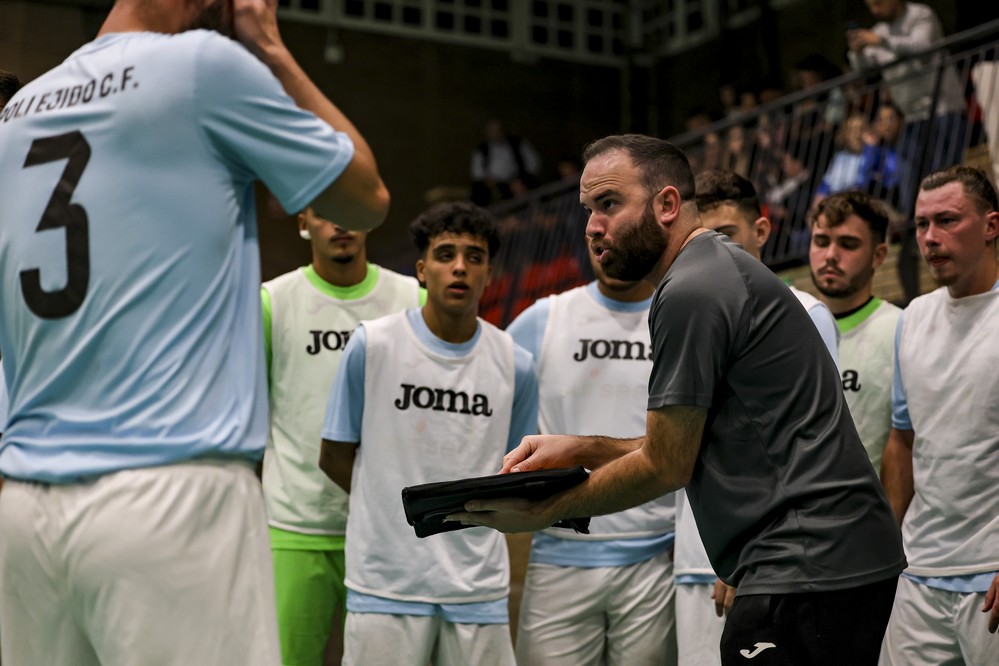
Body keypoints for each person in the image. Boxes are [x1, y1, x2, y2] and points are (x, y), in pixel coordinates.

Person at [0, 0, 389, 663]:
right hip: (170, 497)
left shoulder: (15, 115)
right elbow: (363, 199)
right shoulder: (201, 67)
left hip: (25, 515)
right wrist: (268, 45)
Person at [453, 134, 906, 666]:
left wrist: (543, 511)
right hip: (823, 563)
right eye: (588, 210)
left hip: (804, 567)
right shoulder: (710, 270)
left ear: (667, 204)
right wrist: (583, 448)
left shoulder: (691, 290)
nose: (593, 226)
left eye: (609, 204)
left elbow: (666, 466)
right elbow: (683, 443)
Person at [318, 201, 539, 666]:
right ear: (422, 270)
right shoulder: (371, 345)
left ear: (489, 274)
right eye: (445, 255)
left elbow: (510, 473)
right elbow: (334, 455)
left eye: (474, 257)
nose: (459, 267)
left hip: (476, 587)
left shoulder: (515, 363)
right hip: (386, 582)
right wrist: (393, 513)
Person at [670, 168, 840, 666]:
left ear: (762, 232)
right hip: (694, 561)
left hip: (762, 565)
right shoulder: (689, 313)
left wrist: (747, 558)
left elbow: (807, 453)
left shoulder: (806, 314)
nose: (712, 251)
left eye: (727, 236)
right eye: (701, 238)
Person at [262, 207, 423, 666]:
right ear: (303, 223)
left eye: (349, 208)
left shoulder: (412, 297)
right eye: (325, 211)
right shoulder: (273, 302)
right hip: (297, 527)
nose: (340, 221)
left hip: (387, 530)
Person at [506, 238, 677, 666]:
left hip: (657, 557)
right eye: (596, 232)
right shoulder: (543, 319)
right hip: (559, 551)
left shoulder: (679, 316)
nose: (607, 242)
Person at [880, 166, 999, 665]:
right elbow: (902, 442)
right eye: (922, 225)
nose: (930, 238)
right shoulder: (913, 318)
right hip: (919, 571)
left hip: (991, 576)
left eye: (947, 221)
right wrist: (887, 552)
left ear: (991, 226)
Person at [809, 191, 900, 473]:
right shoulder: (790, 327)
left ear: (878, 255)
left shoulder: (900, 328)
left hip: (867, 511)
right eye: (821, 242)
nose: (831, 256)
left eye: (848, 244)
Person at [847, 0, 966, 178]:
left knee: (947, 177)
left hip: (943, 110)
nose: (874, 10)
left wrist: (882, 42)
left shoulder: (921, 14)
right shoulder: (878, 31)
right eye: (870, 6)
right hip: (911, 117)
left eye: (878, 3)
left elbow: (922, 46)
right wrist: (856, 53)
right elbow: (864, 69)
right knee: (911, 181)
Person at [470, 118, 541, 206]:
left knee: (527, 186)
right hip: (495, 184)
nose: (495, 133)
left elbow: (533, 163)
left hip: (518, 178)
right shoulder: (482, 149)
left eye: (498, 129)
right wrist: (488, 181)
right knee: (479, 190)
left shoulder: (517, 143)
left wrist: (521, 179)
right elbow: (477, 172)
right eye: (492, 130)